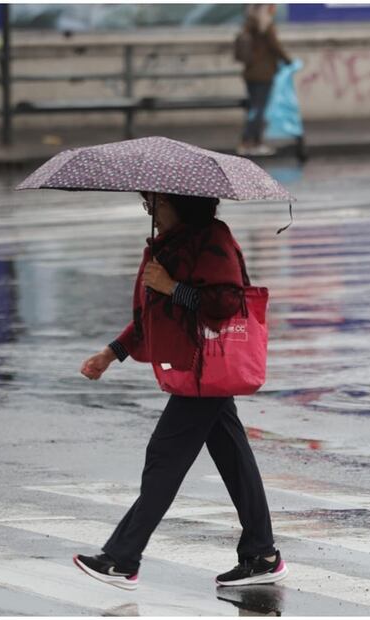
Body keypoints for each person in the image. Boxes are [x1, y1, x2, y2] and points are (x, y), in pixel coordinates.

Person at [73, 192, 287, 589]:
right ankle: (261, 553)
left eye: (153, 203)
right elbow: (151, 318)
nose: (149, 210)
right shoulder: (171, 246)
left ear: (177, 203)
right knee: (234, 460)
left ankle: (122, 558)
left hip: (205, 366)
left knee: (165, 457)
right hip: (198, 368)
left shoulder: (212, 240)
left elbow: (226, 300)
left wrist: (173, 287)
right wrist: (111, 353)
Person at [235, 4, 291, 156]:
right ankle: (251, 142)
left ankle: (249, 141)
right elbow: (275, 46)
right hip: (263, 74)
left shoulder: (248, 23)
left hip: (251, 73)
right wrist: (288, 60)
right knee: (259, 109)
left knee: (254, 109)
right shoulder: (265, 24)